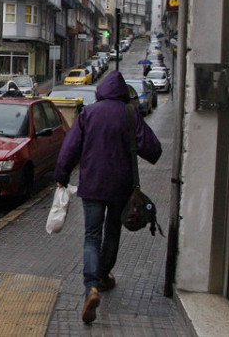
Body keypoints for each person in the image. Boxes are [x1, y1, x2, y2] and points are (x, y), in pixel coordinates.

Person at [54, 70, 162, 324]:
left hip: (92, 184)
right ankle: (103, 277)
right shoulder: (129, 113)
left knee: (92, 235)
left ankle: (91, 287)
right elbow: (152, 148)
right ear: (122, 92)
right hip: (120, 188)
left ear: (101, 90)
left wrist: (62, 175)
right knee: (112, 231)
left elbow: (70, 147)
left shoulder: (89, 113)